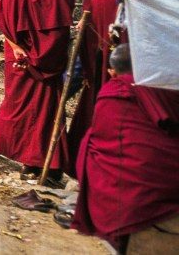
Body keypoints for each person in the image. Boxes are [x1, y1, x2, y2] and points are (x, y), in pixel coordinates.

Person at [71, 43, 179, 252]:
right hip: (171, 178)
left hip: (132, 189)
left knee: (89, 146)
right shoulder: (164, 86)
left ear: (112, 72)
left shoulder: (112, 91)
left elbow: (103, 138)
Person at [0, 0, 75, 184]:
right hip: (43, 65)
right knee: (42, 112)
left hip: (17, 59)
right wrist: (43, 59)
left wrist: (16, 48)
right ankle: (33, 162)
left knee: (16, 104)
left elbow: (0, 16)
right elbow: (57, 40)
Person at [67, 0, 132, 162]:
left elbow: (87, 41)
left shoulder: (100, 1)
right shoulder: (145, 4)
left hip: (101, 67)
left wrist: (87, 69)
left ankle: (84, 159)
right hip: (132, 73)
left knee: (96, 112)